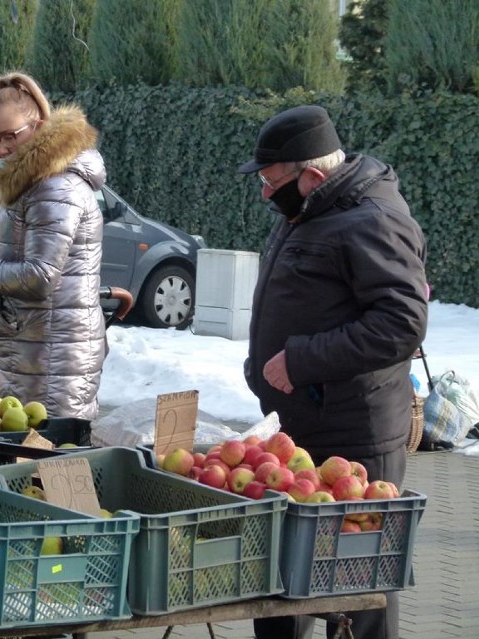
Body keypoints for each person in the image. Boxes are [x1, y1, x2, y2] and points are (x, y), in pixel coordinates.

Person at [238, 105, 428, 639]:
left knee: (358, 587)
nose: (265, 193)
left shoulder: (374, 220)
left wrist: (300, 359)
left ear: (313, 176)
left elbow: (401, 323)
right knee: (280, 578)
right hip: (297, 429)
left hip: (355, 436)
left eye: (274, 183)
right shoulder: (309, 210)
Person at [0, 72, 107, 420]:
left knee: (46, 463)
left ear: (38, 126)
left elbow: (40, 276)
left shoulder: (54, 188)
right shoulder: (31, 184)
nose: (0, 150)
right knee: (23, 460)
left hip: (52, 359)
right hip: (33, 350)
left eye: (9, 136)